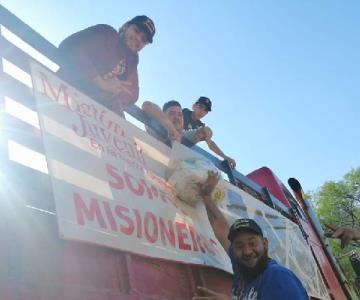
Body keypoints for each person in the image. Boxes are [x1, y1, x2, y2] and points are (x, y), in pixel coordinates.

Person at [193, 171, 309, 300]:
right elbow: (221, 229)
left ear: (265, 243)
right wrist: (206, 196)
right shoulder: (243, 268)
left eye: (252, 243)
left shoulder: (277, 276)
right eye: (239, 246)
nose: (247, 251)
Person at [57, 15, 155, 116]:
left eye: (143, 40)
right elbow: (70, 46)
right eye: (136, 31)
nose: (138, 39)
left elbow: (132, 94)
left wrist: (113, 91)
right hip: (60, 93)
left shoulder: (132, 60)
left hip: (91, 114)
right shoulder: (108, 33)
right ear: (126, 26)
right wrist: (101, 82)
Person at [183, 97, 236, 169]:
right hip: (175, 137)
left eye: (206, 110)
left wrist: (226, 157)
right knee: (206, 130)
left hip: (185, 147)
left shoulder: (201, 126)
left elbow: (210, 144)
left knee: (208, 132)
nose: (202, 111)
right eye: (200, 107)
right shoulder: (185, 112)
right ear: (194, 106)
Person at [142, 100, 210, 145]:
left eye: (180, 115)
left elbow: (206, 131)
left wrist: (204, 133)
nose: (177, 117)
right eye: (172, 113)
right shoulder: (156, 125)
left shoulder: (184, 137)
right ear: (163, 114)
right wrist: (170, 128)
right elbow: (147, 105)